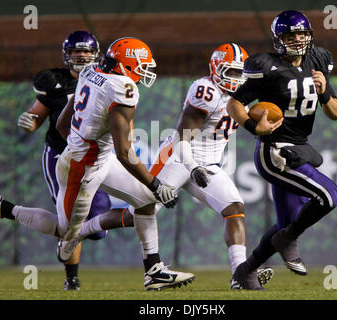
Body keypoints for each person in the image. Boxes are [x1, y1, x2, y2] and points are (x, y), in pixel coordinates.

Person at [0, 37, 194, 291]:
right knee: (66, 232)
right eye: (141, 65)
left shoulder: (91, 72)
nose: (145, 71)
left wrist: (81, 142)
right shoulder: (123, 87)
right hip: (81, 167)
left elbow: (64, 123)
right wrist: (154, 182)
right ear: (127, 65)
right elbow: (124, 151)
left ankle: (154, 271)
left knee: (144, 201)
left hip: (98, 159)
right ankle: (0, 206)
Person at [58, 43, 274, 290]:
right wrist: (192, 167)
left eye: (239, 73)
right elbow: (182, 138)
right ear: (216, 69)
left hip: (209, 164)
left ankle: (240, 274)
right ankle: (80, 231)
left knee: (234, 208)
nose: (235, 79)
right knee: (135, 213)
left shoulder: (243, 95)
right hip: (178, 157)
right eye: (230, 72)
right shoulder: (207, 91)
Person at [226, 10, 337, 287]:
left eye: (302, 34)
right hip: (274, 150)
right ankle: (288, 239)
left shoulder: (318, 59)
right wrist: (254, 128)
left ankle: (246, 271)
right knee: (329, 196)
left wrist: (324, 91)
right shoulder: (266, 66)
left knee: (285, 223)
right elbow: (234, 104)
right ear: (279, 39)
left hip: (299, 146)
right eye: (291, 35)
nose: (298, 40)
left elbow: (335, 113)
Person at [16, 30, 117, 291]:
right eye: (76, 52)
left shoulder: (104, 79)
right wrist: (29, 122)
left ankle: (0, 208)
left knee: (96, 227)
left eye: (86, 52)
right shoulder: (54, 81)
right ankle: (71, 279)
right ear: (66, 55)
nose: (81, 56)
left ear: (96, 55)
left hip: (91, 157)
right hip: (60, 154)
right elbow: (35, 117)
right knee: (70, 219)